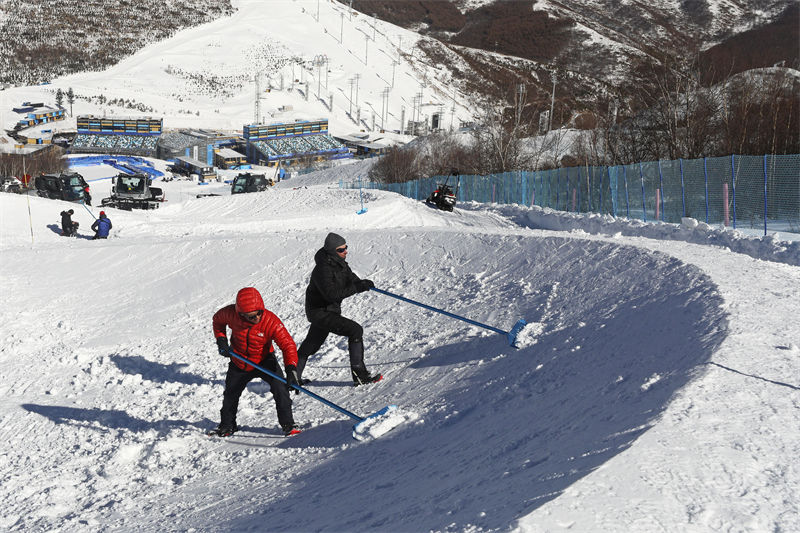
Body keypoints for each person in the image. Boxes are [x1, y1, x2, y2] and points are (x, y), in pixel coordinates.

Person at [212, 287, 302, 437]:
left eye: (258, 314)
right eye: (250, 317)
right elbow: (217, 321)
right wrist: (221, 341)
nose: (256, 319)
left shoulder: (270, 321)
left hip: (264, 360)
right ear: (240, 314)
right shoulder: (230, 313)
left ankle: (288, 424)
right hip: (239, 361)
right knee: (230, 394)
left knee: (280, 389)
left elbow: (288, 345)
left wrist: (291, 369)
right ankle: (227, 425)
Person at [296, 232, 381, 386]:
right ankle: (360, 375)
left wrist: (363, 283)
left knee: (311, 345)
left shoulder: (339, 263)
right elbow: (331, 295)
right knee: (355, 330)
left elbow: (351, 278)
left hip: (328, 311)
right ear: (331, 251)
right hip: (320, 312)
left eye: (345, 248)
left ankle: (293, 376)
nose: (345, 251)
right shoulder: (323, 269)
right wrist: (357, 288)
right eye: (341, 249)